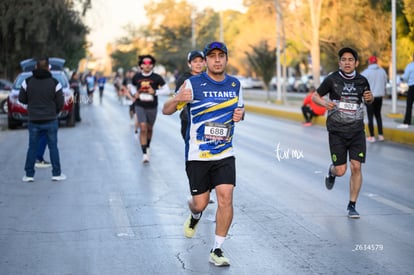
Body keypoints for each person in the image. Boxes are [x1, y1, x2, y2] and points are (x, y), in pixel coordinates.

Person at [162, 41, 245, 266]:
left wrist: (240, 115)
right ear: (205, 61)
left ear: (226, 59)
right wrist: (179, 99)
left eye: (221, 56)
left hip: (225, 153)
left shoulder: (236, 85)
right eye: (212, 56)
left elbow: (240, 110)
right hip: (198, 155)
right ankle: (195, 215)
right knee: (200, 203)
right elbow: (166, 110)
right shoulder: (192, 83)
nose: (217, 60)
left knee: (226, 198)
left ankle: (217, 249)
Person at [312, 47, 374, 219]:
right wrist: (324, 103)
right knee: (341, 171)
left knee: (356, 166)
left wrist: (370, 99)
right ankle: (331, 172)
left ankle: (352, 205)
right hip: (337, 131)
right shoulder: (332, 79)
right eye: (344, 60)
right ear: (340, 62)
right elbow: (315, 96)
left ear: (356, 63)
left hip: (356, 131)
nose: (347, 63)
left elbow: (368, 101)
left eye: (350, 60)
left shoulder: (362, 81)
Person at [18, 57, 66, 182]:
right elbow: (61, 103)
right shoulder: (55, 83)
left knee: (32, 147)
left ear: (35, 67)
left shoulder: (27, 82)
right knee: (53, 147)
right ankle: (56, 173)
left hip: (34, 120)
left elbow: (21, 99)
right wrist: (53, 112)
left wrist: (32, 104)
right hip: (50, 120)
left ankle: (29, 175)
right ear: (48, 68)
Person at [131, 54, 170, 163]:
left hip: (152, 106)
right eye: (145, 63)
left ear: (152, 65)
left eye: (150, 63)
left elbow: (166, 90)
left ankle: (147, 145)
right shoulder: (137, 76)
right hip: (140, 105)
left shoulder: (156, 77)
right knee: (143, 127)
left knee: (149, 128)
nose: (147, 65)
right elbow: (132, 86)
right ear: (141, 65)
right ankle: (144, 154)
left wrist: (155, 92)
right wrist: (135, 94)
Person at [175, 50, 206, 139]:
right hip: (188, 120)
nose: (198, 64)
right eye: (195, 61)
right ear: (189, 64)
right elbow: (177, 99)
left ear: (204, 63)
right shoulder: (184, 79)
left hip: (205, 120)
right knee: (190, 149)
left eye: (201, 61)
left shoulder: (208, 77)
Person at [360, 55, 387, 142]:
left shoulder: (366, 72)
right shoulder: (382, 71)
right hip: (379, 97)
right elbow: (385, 82)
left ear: (369, 62)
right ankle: (381, 135)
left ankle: (372, 136)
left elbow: (361, 84)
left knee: (370, 116)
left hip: (369, 97)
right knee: (378, 115)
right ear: (376, 62)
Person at [398, 53, 414, 129]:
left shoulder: (410, 66)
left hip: (412, 87)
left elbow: (405, 77)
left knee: (409, 105)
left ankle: (407, 122)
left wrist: (402, 79)